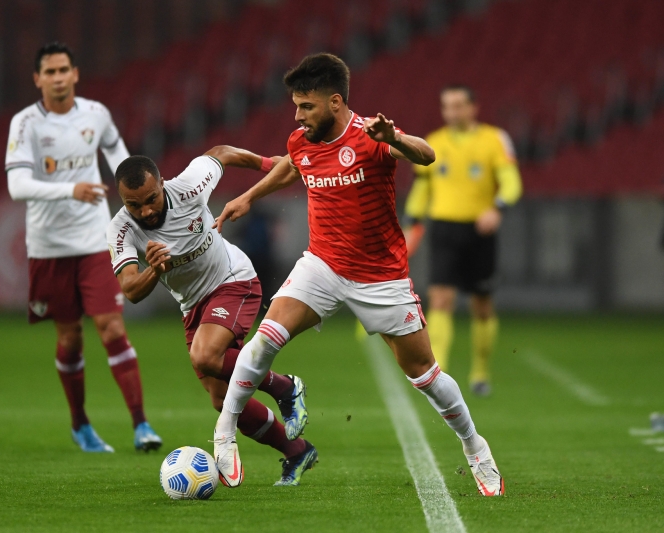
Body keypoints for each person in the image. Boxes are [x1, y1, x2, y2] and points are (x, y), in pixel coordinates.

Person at [211, 53, 504, 496]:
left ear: (334, 102)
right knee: (265, 338)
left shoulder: (372, 135)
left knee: (424, 374)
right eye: (295, 106)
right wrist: (250, 196)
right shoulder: (302, 139)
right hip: (323, 265)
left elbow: (427, 154)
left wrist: (398, 140)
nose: (298, 115)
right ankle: (225, 432)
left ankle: (475, 445)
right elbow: (293, 163)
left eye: (306, 106)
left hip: (381, 276)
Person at [106, 148, 316, 486]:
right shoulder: (121, 229)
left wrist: (266, 163)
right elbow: (130, 289)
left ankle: (286, 387)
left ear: (162, 183)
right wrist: (154, 271)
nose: (145, 211)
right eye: (134, 204)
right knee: (221, 398)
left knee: (205, 355)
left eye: (151, 199)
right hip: (193, 305)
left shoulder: (189, 186)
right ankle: (296, 451)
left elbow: (221, 153)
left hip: (233, 279)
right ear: (122, 200)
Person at [5, 42, 161, 453]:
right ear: (37, 79)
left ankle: (141, 425)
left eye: (63, 70)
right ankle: (80, 424)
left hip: (95, 240)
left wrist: (135, 192)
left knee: (111, 326)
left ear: (75, 73)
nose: (57, 78)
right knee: (70, 336)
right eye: (49, 72)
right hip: (48, 247)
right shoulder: (25, 125)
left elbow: (116, 151)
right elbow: (16, 185)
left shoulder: (96, 114)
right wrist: (70, 189)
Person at [402, 84, 523, 396]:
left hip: (480, 230)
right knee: (441, 298)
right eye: (446, 106)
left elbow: (511, 182)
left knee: (481, 304)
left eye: (458, 105)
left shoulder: (494, 139)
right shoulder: (433, 142)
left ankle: (480, 372)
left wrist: (498, 208)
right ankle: (438, 372)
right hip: (443, 227)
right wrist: (412, 219)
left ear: (474, 108)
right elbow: (422, 188)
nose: (452, 112)